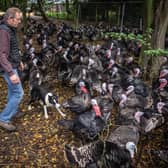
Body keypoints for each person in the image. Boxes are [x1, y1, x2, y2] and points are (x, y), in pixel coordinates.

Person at [0, 7, 24, 131]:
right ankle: (4, 119)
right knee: (19, 93)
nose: (19, 21)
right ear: (10, 19)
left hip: (13, 64)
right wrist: (10, 72)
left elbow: (13, 48)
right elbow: (2, 54)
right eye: (18, 19)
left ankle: (12, 110)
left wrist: (19, 61)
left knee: (12, 90)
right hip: (7, 67)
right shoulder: (4, 31)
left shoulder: (11, 29)